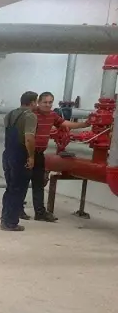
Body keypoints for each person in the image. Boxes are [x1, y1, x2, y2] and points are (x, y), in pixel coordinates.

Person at [19, 91, 90, 222]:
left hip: (39, 154)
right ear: (38, 102)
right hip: (27, 153)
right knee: (22, 182)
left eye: (50, 102)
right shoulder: (31, 114)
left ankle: (40, 213)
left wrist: (84, 124)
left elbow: (65, 124)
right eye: (45, 102)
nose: (47, 105)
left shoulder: (52, 115)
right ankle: (18, 209)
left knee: (38, 183)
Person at [0, 91, 38, 232]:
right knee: (18, 190)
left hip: (7, 154)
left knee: (10, 188)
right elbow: (29, 138)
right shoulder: (30, 116)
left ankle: (5, 218)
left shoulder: (10, 114)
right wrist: (31, 156)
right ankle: (11, 223)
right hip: (20, 155)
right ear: (33, 102)